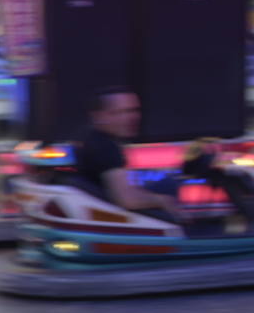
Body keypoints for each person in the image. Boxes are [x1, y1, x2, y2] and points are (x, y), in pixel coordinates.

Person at [72, 88, 185, 223]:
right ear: (99, 117)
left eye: (133, 111)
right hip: (116, 219)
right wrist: (163, 200)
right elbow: (128, 200)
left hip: (106, 210)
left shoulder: (91, 138)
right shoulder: (105, 147)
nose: (131, 118)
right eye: (119, 113)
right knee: (167, 184)